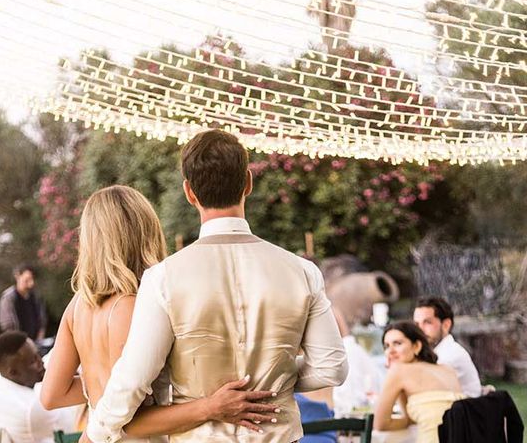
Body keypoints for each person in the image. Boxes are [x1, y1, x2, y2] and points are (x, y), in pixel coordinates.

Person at [84, 130, 348, 443]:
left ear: (189, 192)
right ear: (248, 183)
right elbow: (332, 369)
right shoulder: (302, 271)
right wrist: (274, 380)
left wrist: (95, 434)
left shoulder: (163, 278)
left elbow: (131, 382)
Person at [41, 185, 280, 441]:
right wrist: (210, 407)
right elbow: (130, 421)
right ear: (146, 231)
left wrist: (99, 385)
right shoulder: (131, 306)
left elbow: (52, 394)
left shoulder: (77, 306)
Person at [0, 331, 76, 443]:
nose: (41, 362)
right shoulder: (31, 409)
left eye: (38, 355)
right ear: (13, 372)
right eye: (33, 361)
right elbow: (75, 424)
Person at [373, 321, 464, 443]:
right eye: (386, 346)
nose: (390, 351)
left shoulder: (398, 371)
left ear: (416, 346)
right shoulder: (448, 370)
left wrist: (406, 422)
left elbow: (380, 424)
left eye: (397, 343)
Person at [413, 296, 481, 398]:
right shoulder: (436, 352)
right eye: (417, 324)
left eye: (427, 322)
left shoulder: (450, 355)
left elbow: (419, 393)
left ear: (446, 325)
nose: (420, 330)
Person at [0, 264, 47, 340]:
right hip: (17, 343)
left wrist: (40, 338)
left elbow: (42, 320)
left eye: (32, 279)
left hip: (36, 341)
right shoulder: (8, 297)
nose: (31, 283)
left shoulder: (35, 297)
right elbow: (7, 325)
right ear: (18, 276)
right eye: (27, 279)